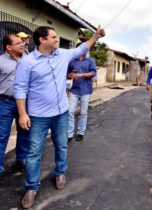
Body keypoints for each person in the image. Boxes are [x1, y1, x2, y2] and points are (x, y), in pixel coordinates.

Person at [13, 25, 105, 209]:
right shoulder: (28, 62)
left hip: (61, 113)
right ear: (42, 40)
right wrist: (23, 114)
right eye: (53, 37)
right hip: (38, 116)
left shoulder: (62, 54)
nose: (57, 39)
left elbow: (82, 48)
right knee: (33, 153)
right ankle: (31, 187)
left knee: (61, 145)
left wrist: (96, 36)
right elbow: (20, 88)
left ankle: (60, 172)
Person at [0, 34, 29, 175]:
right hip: (5, 102)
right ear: (9, 47)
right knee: (2, 135)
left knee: (24, 132)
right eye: (19, 43)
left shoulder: (28, 60)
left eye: (23, 42)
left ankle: (21, 159)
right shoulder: (1, 61)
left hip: (24, 102)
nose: (23, 44)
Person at [67, 43, 97, 142]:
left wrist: (82, 75)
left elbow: (93, 73)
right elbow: (68, 75)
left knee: (83, 113)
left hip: (86, 90)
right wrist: (70, 75)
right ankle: (69, 133)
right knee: (70, 111)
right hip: (75, 89)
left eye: (86, 49)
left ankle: (80, 132)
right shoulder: (72, 61)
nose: (85, 50)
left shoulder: (90, 60)